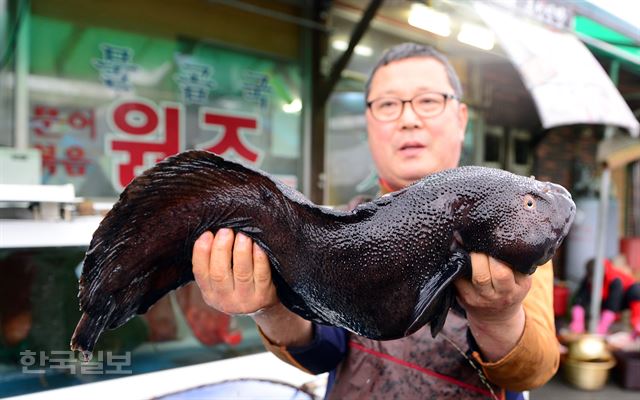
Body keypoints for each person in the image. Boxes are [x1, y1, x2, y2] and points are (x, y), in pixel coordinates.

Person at [191, 42, 559, 399]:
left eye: (429, 101)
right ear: (369, 123)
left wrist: (498, 318)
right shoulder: (340, 226)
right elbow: (323, 352)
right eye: (388, 105)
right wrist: (269, 309)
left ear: (460, 118)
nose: (409, 119)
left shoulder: (508, 228)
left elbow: (533, 371)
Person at [570, 258, 640, 337]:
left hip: (625, 299)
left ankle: (638, 326)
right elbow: (580, 298)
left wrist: (602, 328)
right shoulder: (589, 277)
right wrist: (577, 321)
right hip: (604, 300)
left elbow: (613, 304)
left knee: (636, 290)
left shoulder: (615, 279)